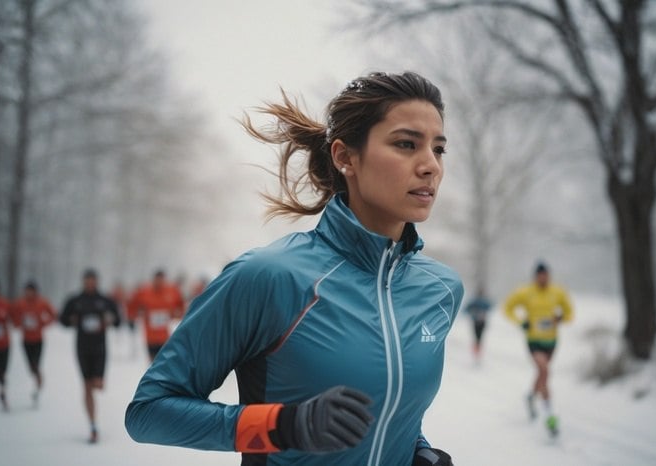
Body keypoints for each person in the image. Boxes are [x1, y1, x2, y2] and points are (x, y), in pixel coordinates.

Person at [125, 71, 463, 466]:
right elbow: (149, 413)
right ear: (344, 157)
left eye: (438, 149)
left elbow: (393, 409)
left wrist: (418, 450)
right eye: (406, 144)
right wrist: (280, 426)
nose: (430, 167)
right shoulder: (269, 277)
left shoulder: (440, 289)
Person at [503, 261, 573, 436]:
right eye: (540, 275)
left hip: (551, 341)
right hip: (534, 340)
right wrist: (521, 322)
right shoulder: (525, 292)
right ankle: (550, 417)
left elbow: (570, 313)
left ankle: (531, 397)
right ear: (535, 277)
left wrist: (561, 318)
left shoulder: (557, 291)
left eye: (546, 275)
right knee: (544, 371)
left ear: (549, 275)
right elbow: (507, 308)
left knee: (542, 374)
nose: (543, 278)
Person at [59, 269, 122, 443]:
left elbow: (118, 320)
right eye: (87, 281)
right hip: (82, 348)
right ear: (83, 282)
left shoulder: (105, 301)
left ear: (97, 282)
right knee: (86, 387)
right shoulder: (75, 301)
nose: (89, 284)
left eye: (92, 281)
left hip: (100, 349)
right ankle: (93, 425)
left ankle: (97, 384)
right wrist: (71, 320)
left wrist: (111, 320)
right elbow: (62, 320)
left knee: (98, 385)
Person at [11, 280, 57, 406]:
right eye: (27, 291)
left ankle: (38, 384)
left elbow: (53, 315)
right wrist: (18, 324)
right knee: (31, 367)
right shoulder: (20, 303)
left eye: (32, 291)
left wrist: (44, 324)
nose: (29, 293)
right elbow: (12, 316)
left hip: (38, 340)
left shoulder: (42, 302)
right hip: (26, 340)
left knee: (36, 365)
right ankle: (38, 379)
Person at [127, 269, 185, 362]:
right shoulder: (144, 292)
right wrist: (133, 315)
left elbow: (181, 305)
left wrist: (178, 314)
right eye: (157, 280)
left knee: (165, 362)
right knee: (153, 363)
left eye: (162, 280)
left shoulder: (171, 291)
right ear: (154, 279)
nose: (159, 282)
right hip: (150, 337)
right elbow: (131, 305)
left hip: (164, 336)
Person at [0, 279, 12, 411]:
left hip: (3, 344)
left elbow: (16, 318)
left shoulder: (5, 304)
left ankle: (3, 392)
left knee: (2, 371)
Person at [463, 287, 492, 362]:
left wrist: (476, 314)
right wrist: (474, 314)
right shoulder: (475, 301)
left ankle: (477, 353)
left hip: (481, 322)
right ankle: (476, 353)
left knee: (478, 338)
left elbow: (490, 307)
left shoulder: (480, 301)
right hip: (478, 322)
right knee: (478, 338)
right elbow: (466, 310)